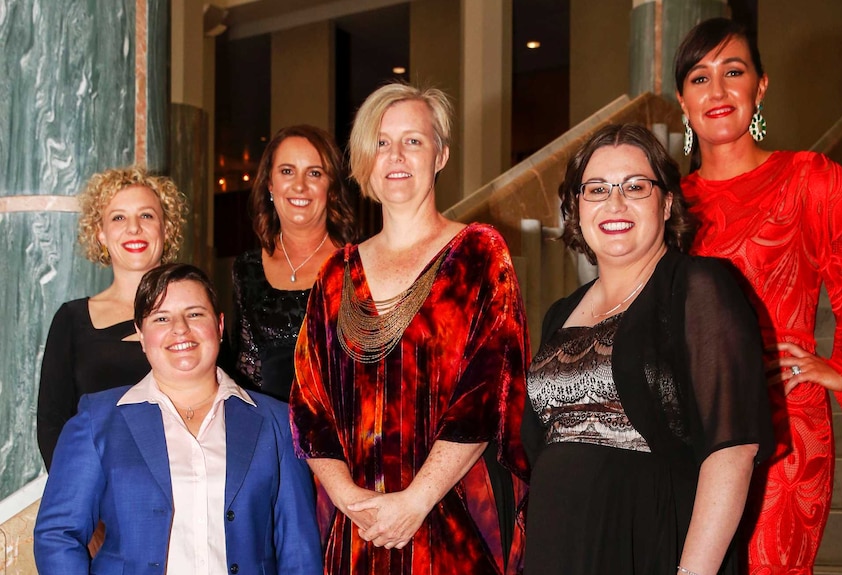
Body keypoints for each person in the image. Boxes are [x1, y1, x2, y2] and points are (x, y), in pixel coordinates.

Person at [289, 83, 530, 575]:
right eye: (381, 142)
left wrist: (415, 502)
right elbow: (309, 405)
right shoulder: (336, 274)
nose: (395, 155)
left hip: (450, 525)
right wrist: (352, 501)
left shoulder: (479, 255)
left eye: (413, 141)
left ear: (440, 154)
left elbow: (486, 395)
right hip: (356, 532)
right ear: (364, 158)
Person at [521, 124, 773, 575]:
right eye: (596, 189)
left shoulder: (698, 287)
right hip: (556, 549)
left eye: (636, 186)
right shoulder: (560, 313)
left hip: (652, 545)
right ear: (576, 207)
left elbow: (733, 450)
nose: (614, 203)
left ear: (667, 202)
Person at [674, 18, 842, 574]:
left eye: (734, 72)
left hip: (784, 432)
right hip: (687, 426)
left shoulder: (811, 181)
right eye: (699, 77)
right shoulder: (666, 207)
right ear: (681, 100)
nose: (718, 91)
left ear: (760, 86)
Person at [34, 263, 323, 575]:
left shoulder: (277, 422)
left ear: (220, 326)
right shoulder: (97, 420)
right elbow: (57, 535)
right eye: (161, 318)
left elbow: (299, 551)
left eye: (195, 313)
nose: (180, 328)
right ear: (141, 335)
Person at [38, 166, 187, 471]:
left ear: (167, 229)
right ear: (100, 233)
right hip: (101, 496)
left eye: (146, 216)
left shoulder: (195, 312)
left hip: (188, 484)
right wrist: (82, 498)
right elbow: (52, 425)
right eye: (118, 217)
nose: (133, 228)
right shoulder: (72, 319)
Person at [231, 125, 357, 401]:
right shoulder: (247, 268)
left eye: (314, 173)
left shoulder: (360, 265)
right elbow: (243, 369)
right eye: (287, 171)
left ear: (332, 188)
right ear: (270, 184)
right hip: (270, 434)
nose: (299, 185)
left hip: (341, 436)